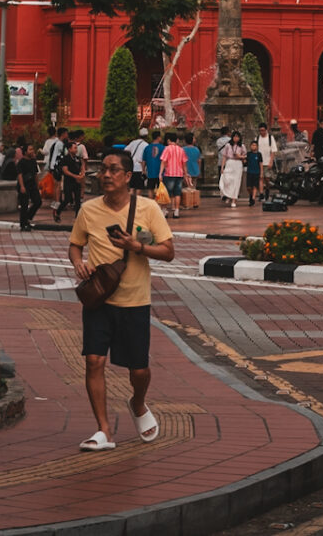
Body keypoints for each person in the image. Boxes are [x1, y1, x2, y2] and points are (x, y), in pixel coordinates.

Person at [69, 147, 174, 452]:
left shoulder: (148, 210)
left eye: (113, 170)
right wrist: (78, 262)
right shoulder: (88, 210)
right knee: (93, 361)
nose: (105, 175)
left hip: (134, 301)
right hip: (99, 299)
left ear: (128, 176)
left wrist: (137, 246)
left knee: (138, 370)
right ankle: (104, 430)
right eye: (102, 169)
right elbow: (75, 245)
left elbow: (168, 251)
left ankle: (138, 403)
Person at [57, 132, 87, 219]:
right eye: (74, 148)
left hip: (76, 181)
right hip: (69, 181)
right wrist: (76, 176)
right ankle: (58, 211)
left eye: (76, 148)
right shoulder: (65, 159)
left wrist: (82, 174)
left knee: (78, 200)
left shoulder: (77, 158)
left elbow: (82, 166)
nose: (76, 149)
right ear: (69, 149)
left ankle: (77, 217)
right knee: (67, 199)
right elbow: (65, 171)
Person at [160, 132, 188, 219]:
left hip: (169, 173)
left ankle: (164, 210)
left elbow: (163, 162)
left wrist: (160, 173)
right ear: (176, 140)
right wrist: (186, 174)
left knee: (167, 193)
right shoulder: (181, 150)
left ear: (169, 140)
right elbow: (184, 164)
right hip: (179, 174)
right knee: (177, 193)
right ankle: (176, 211)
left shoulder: (167, 149)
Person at [15, 142, 42, 231]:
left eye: (32, 149)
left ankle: (28, 217)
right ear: (25, 151)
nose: (32, 151)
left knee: (38, 201)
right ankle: (23, 224)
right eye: (30, 149)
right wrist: (22, 186)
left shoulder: (33, 161)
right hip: (24, 185)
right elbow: (20, 175)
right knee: (24, 205)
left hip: (32, 185)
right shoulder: (21, 162)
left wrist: (37, 186)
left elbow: (36, 174)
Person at [218, 131, 244, 205]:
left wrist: (240, 156)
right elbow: (224, 157)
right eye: (234, 137)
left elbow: (245, 156)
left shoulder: (242, 146)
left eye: (237, 137)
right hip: (229, 163)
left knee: (236, 182)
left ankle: (234, 199)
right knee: (228, 179)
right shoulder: (228, 145)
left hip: (238, 163)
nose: (236, 138)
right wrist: (222, 167)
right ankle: (228, 195)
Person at [243, 132, 263, 206]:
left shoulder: (259, 154)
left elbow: (260, 164)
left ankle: (253, 199)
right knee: (248, 187)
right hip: (249, 172)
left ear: (257, 147)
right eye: (252, 145)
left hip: (256, 172)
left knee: (255, 186)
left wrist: (261, 173)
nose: (253, 146)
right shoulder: (248, 154)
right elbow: (245, 163)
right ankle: (251, 195)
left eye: (255, 145)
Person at [183, 132, 201, 205]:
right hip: (195, 169)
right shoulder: (197, 149)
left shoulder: (182, 149)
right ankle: (194, 201)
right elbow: (199, 160)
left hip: (186, 170)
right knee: (194, 186)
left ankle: (187, 202)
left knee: (186, 187)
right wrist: (199, 170)